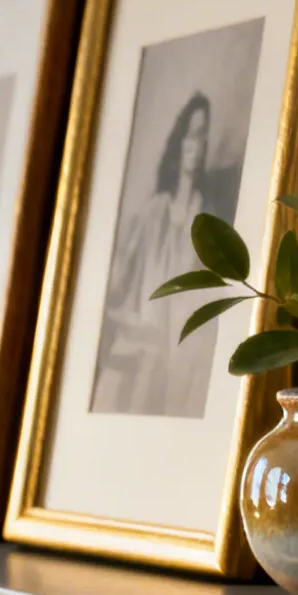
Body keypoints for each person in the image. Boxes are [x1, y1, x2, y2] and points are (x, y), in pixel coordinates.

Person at [93, 91, 221, 417]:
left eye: (205, 134)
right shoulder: (152, 211)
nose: (200, 143)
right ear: (180, 143)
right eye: (194, 133)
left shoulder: (206, 220)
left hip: (168, 357)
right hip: (131, 342)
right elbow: (118, 282)